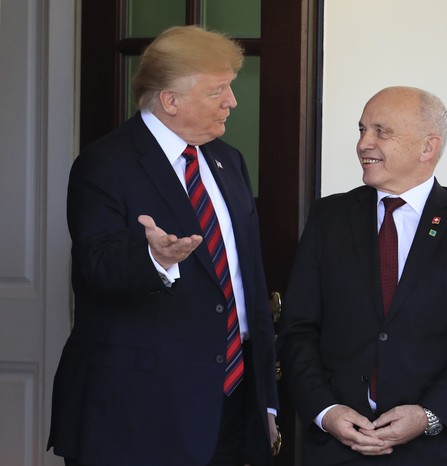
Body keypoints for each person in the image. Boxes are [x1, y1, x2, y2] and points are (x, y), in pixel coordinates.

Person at [48, 25, 279, 466]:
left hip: (232, 401)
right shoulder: (105, 164)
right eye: (218, 92)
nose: (232, 102)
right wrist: (153, 258)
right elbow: (95, 266)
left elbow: (249, 277)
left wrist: (265, 401)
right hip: (138, 412)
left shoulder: (229, 161)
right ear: (171, 100)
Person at [277, 86, 447, 465]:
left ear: (427, 147)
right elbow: (298, 327)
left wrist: (428, 415)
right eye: (361, 130)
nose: (363, 143)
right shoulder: (329, 217)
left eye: (381, 131)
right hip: (335, 447)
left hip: (433, 449)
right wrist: (324, 411)